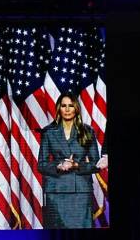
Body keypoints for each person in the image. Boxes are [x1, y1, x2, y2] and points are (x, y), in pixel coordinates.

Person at [37, 93, 107, 229]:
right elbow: (42, 165)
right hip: (56, 191)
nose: (67, 109)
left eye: (71, 106)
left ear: (76, 108)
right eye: (64, 106)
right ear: (59, 108)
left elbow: (96, 165)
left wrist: (76, 165)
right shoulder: (48, 132)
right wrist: (59, 165)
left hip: (80, 192)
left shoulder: (87, 131)